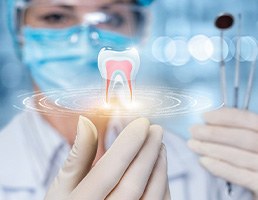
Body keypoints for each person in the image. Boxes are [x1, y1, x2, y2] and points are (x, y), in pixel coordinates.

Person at [0, 0, 258, 199]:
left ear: (140, 31)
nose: (84, 39)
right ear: (19, 31)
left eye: (110, 17)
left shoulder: (203, 170)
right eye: (56, 16)